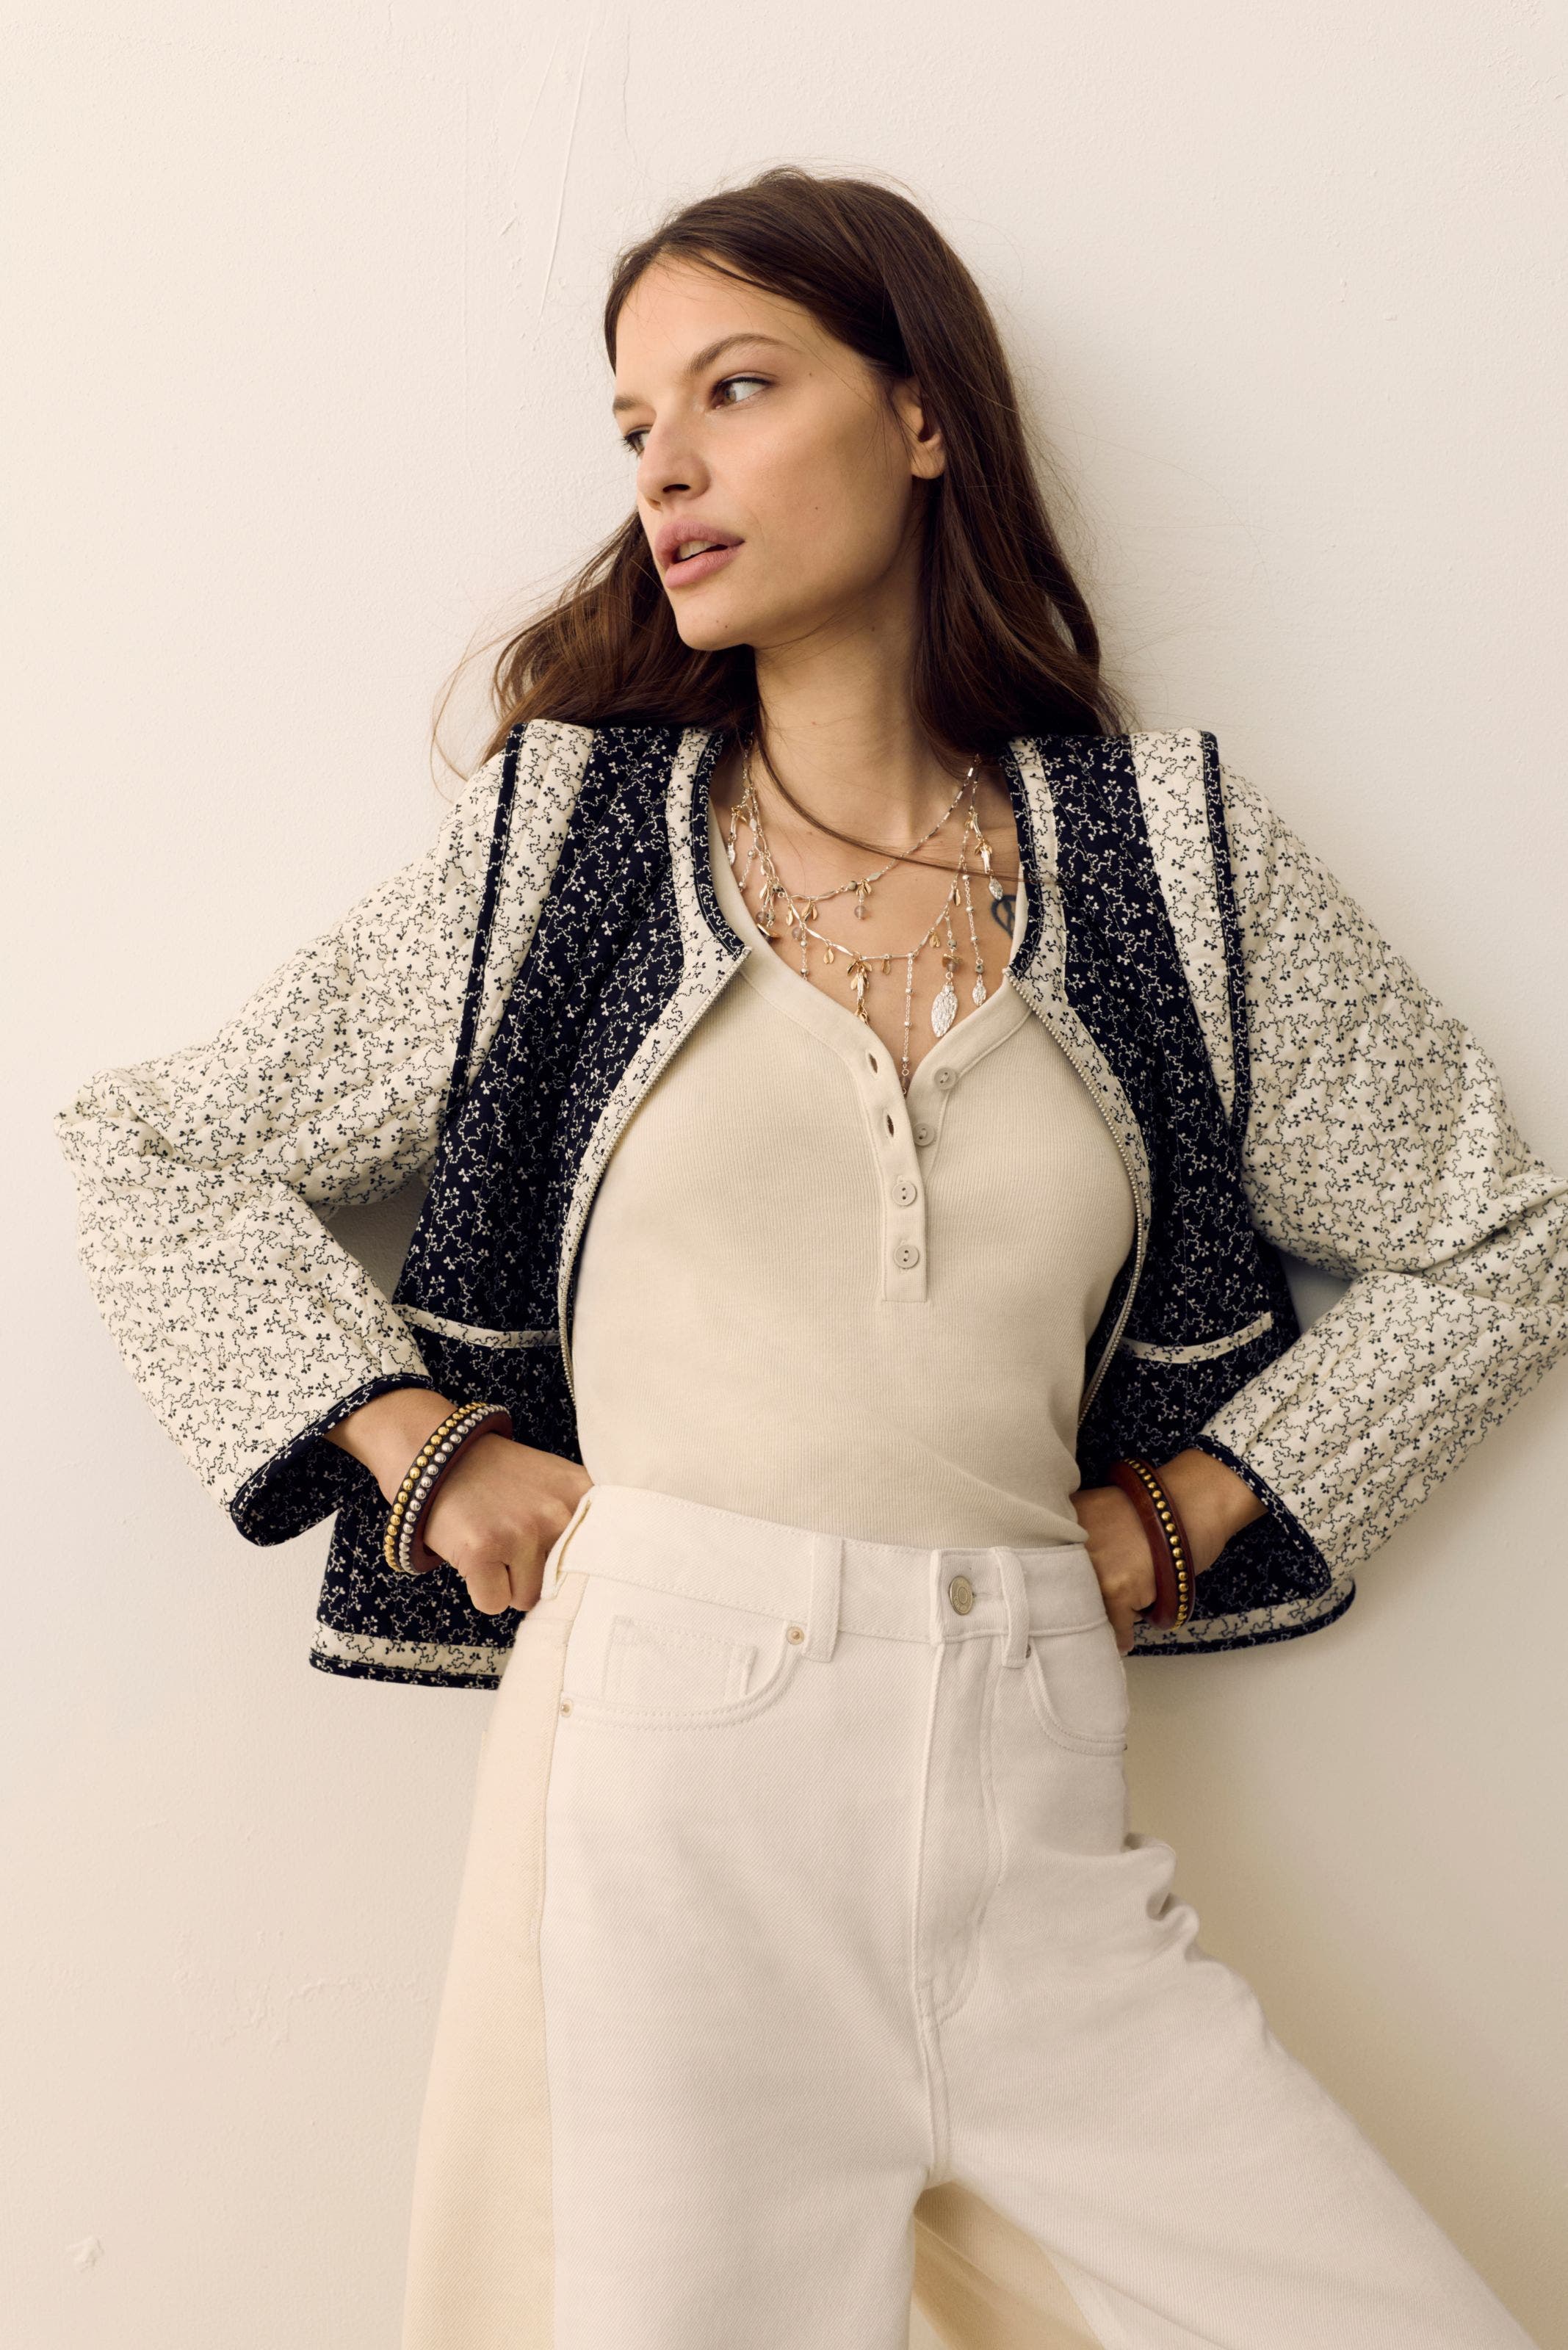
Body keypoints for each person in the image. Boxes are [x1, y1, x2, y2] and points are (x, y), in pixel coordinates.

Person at [53, 165, 1565, 2350]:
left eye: (736, 389)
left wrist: (1180, 1515)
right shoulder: (564, 844)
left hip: (1040, 1799)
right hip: (668, 1807)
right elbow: (155, 1149)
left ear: (923, 413)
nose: (667, 465)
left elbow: (1501, 1237)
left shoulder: (1166, 864)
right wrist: (416, 1447)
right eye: (635, 421)